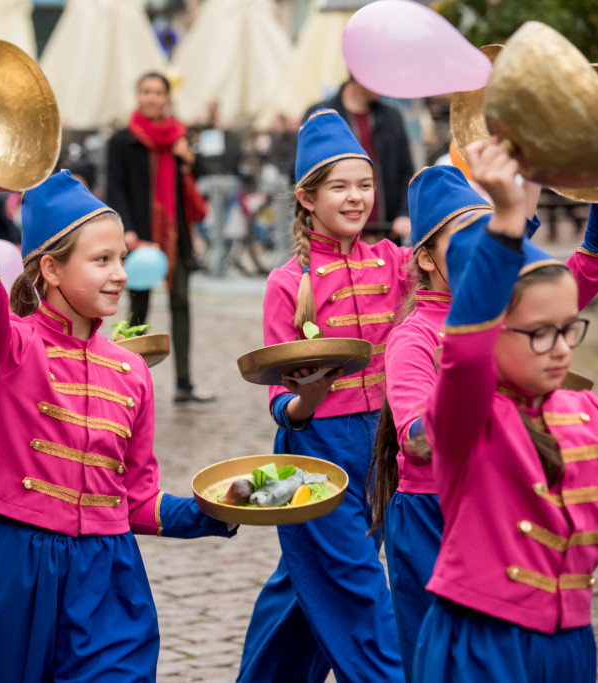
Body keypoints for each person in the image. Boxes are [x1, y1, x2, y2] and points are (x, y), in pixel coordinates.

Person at [0, 134, 236, 680]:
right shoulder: (8, 346)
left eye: (121, 258)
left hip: (107, 574)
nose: (119, 273)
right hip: (14, 564)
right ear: (50, 270)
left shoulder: (132, 371)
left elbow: (136, 499)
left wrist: (214, 511)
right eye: (101, 260)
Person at [368, 164, 598, 680]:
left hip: (508, 503)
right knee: (431, 655)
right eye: (469, 241)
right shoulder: (418, 338)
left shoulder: (527, 311)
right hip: (430, 509)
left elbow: (596, 260)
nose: (558, 346)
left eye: (565, 330)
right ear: (426, 259)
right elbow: (421, 432)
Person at [238, 109, 408, 683]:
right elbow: (277, 398)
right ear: (308, 198)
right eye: (340, 187)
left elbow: (455, 265)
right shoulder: (287, 282)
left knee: (304, 583)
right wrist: (306, 400)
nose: (357, 197)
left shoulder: (394, 261)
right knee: (358, 584)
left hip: (384, 448)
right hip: (316, 452)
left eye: (364, 184)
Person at [106, 72, 213, 403]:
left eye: (158, 92)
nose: (151, 97)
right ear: (138, 96)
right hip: (139, 236)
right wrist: (128, 232)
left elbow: (201, 178)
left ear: (167, 98)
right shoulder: (122, 140)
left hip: (175, 236)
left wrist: (187, 160)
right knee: (138, 307)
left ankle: (184, 384)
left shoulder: (180, 139)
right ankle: (127, 380)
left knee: (181, 303)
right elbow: (116, 188)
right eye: (146, 91)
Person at [302, 76, 415, 241]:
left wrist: (405, 213)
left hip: (386, 233)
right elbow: (301, 175)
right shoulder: (322, 114)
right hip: (334, 237)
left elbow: (406, 172)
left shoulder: (391, 117)